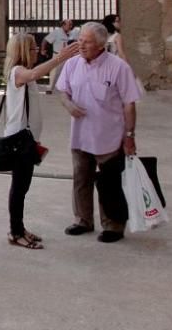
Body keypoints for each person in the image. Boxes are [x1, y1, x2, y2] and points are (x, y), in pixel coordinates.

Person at [57, 21, 141, 243]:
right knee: (81, 178)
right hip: (80, 135)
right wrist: (68, 104)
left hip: (109, 136)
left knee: (109, 183)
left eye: (87, 42)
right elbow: (63, 91)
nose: (81, 45)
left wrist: (130, 136)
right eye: (80, 40)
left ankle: (113, 225)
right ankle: (82, 220)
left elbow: (129, 104)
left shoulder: (118, 67)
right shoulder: (72, 64)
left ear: (101, 44)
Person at [0, 33, 80, 249]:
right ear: (24, 51)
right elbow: (35, 72)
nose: (37, 51)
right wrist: (59, 58)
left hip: (28, 140)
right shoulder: (18, 72)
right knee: (19, 188)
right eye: (34, 48)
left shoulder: (26, 75)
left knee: (23, 187)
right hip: (19, 141)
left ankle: (19, 228)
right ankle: (16, 232)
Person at [41, 19, 79, 92]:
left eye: (71, 24)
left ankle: (66, 89)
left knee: (69, 72)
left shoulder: (74, 32)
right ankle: (50, 88)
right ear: (63, 25)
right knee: (54, 72)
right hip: (58, 55)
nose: (71, 26)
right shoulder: (56, 32)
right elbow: (45, 40)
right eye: (69, 25)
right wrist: (42, 50)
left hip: (69, 55)